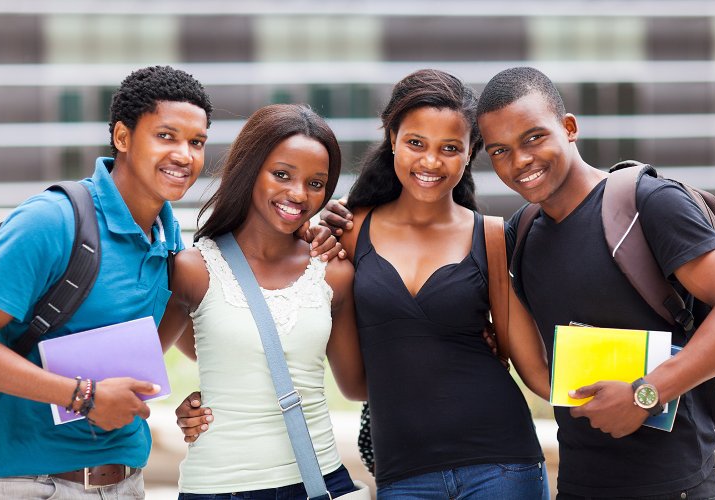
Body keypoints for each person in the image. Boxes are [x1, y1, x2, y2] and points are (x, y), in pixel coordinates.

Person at [183, 69, 552, 499]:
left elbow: (535, 371)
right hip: (404, 473)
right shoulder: (346, 231)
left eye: (450, 148)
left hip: (503, 462)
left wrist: (617, 390)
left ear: (471, 152)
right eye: (416, 143)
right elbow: (258, 322)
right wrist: (215, 398)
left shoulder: (492, 238)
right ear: (393, 138)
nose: (431, 162)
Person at [473, 66, 715, 498]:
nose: (520, 161)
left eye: (533, 137)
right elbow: (542, 367)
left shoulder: (649, 203)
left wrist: (645, 394)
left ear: (569, 128)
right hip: (579, 484)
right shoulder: (523, 234)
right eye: (500, 150)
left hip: (675, 485)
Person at [0, 65, 212, 498]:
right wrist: (83, 396)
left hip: (127, 483)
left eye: (197, 142)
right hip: (32, 486)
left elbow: (187, 342)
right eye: (166, 136)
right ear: (123, 137)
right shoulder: (52, 221)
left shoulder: (169, 239)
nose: (184, 156)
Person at [158, 103, 366, 499]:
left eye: (316, 183)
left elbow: (357, 386)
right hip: (219, 488)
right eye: (282, 174)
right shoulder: (193, 269)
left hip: (320, 480)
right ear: (250, 169)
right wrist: (197, 405)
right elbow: (140, 368)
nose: (298, 194)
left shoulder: (334, 270)